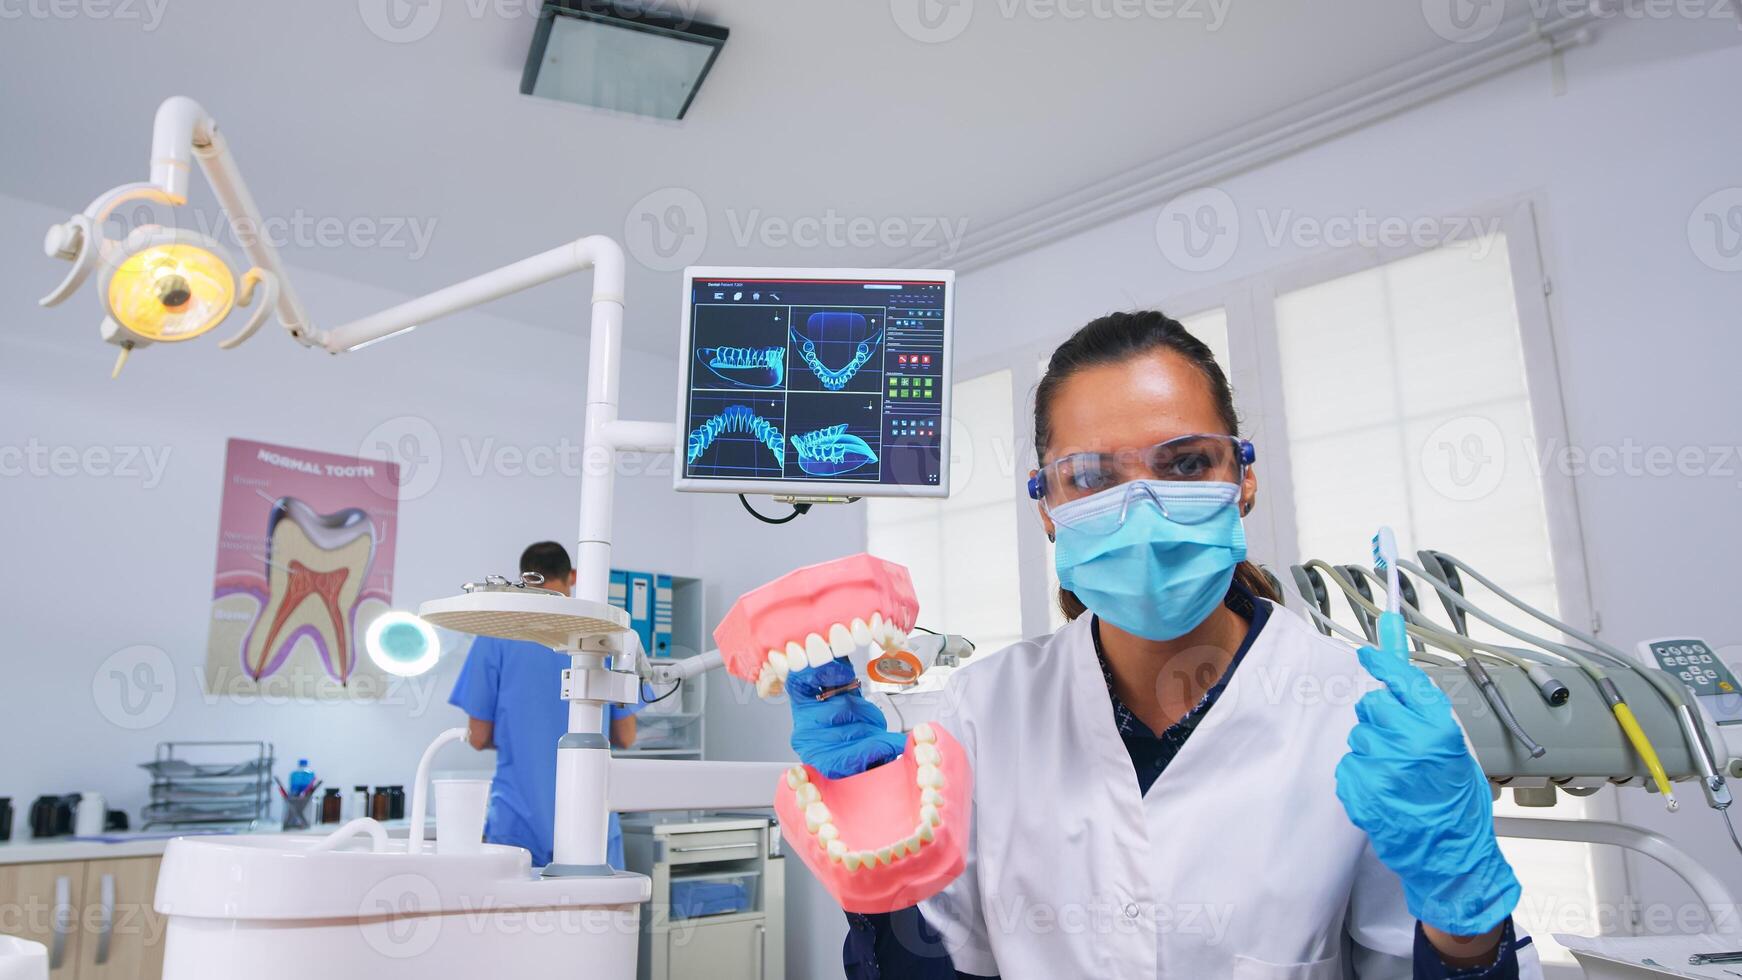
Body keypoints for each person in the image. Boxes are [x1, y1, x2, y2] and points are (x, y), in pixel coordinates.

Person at [794, 312, 1539, 978]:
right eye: (1089, 475)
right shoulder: (980, 713)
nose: (1143, 508)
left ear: (1242, 479)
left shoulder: (1372, 718)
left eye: (1185, 464)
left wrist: (1465, 924)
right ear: (1047, 508)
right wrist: (881, 866)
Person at [449, 540, 643, 869]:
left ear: (524, 580)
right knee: (594, 916)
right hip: (591, 818)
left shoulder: (496, 635)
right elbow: (626, 736)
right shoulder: (605, 635)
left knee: (517, 918)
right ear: (574, 576)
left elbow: (478, 736)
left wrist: (523, 737)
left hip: (519, 820)